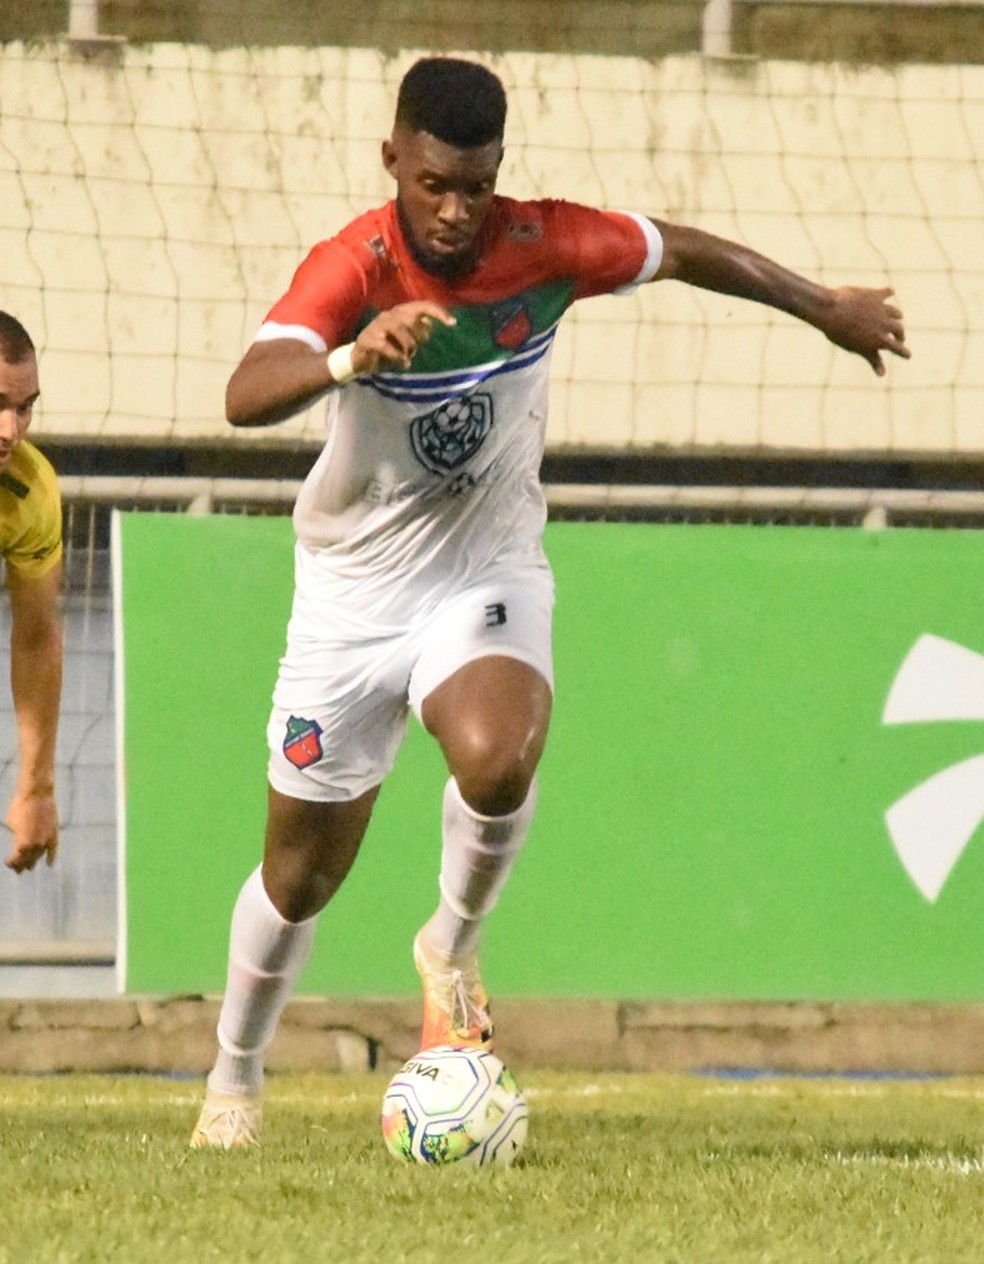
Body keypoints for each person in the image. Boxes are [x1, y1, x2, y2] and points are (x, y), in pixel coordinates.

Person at [191, 56, 910, 1148]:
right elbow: (245, 392)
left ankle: (450, 946)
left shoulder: (546, 244)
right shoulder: (356, 263)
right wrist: (347, 355)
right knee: (301, 873)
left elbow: (682, 249)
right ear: (395, 161)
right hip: (350, 600)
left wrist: (826, 308)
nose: (455, 208)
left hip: (484, 571)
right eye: (434, 183)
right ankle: (234, 1077)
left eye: (476, 185)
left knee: (498, 751)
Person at [0, 312, 63, 875]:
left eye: (23, 407)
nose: (9, 430)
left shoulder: (29, 490)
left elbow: (37, 640)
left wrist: (37, 786)